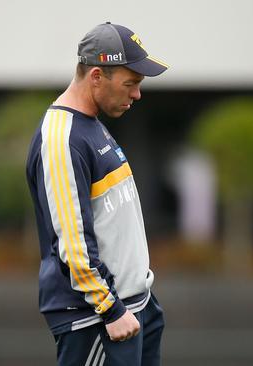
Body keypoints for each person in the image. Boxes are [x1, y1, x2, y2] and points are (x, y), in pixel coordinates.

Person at [25, 22, 168, 366]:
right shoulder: (63, 138)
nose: (137, 95)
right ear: (95, 77)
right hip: (99, 320)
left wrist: (141, 302)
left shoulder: (90, 124)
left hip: (134, 306)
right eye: (130, 84)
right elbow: (72, 242)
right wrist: (111, 309)